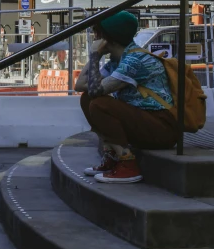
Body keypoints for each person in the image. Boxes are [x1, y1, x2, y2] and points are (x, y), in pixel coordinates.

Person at [75, 11, 177, 184]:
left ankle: (127, 164)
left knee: (99, 103)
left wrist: (94, 55)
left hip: (162, 128)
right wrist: (97, 56)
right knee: (87, 100)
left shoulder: (134, 61)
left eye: (98, 34)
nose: (95, 38)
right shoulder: (117, 61)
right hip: (145, 123)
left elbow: (96, 91)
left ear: (109, 38)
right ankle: (112, 156)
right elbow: (80, 85)